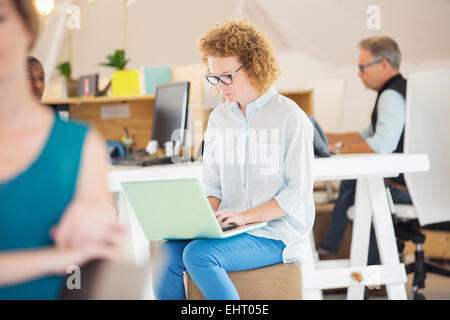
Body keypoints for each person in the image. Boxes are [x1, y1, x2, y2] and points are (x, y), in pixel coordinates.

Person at [152, 20, 315, 300]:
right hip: (230, 228)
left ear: (254, 66)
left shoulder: (290, 117)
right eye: (214, 77)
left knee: (199, 255)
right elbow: (214, 187)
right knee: (166, 253)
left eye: (227, 76)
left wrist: (243, 217)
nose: (220, 86)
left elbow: (295, 197)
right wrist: (196, 219)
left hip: (276, 233)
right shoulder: (219, 119)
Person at [0, 0, 126, 299]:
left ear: (28, 28)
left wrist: (101, 222)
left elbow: (96, 254)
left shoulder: (79, 145)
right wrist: (55, 259)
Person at [319, 36, 412, 265]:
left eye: (362, 67)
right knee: (357, 184)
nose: (359, 74)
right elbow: (365, 135)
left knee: (358, 185)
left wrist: (336, 149)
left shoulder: (391, 96)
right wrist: (323, 137)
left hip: (406, 188)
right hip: (418, 185)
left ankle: (342, 256)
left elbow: (381, 145)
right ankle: (345, 256)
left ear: (383, 65)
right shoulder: (396, 91)